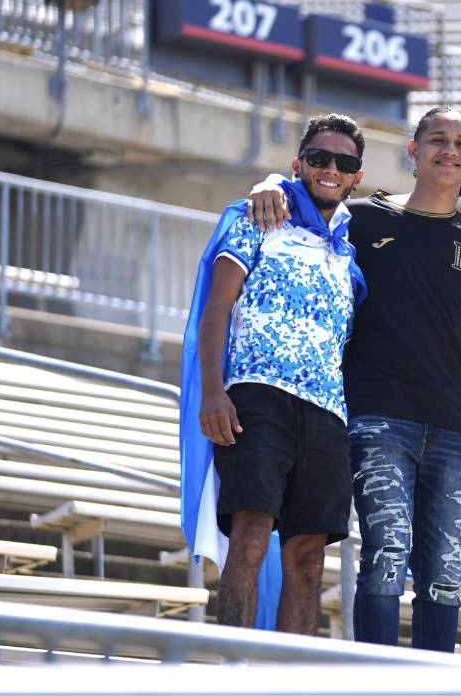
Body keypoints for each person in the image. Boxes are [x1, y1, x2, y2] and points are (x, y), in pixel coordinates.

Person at [245, 107, 461, 652]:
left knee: (444, 571)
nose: (449, 150)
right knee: (386, 554)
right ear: (412, 150)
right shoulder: (359, 220)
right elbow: (308, 191)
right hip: (376, 419)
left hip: (456, 430)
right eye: (437, 139)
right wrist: (269, 180)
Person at [184, 113, 367, 633]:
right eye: (318, 158)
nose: (330, 169)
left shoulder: (352, 248)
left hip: (329, 413)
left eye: (344, 163)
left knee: (309, 559)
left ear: (357, 176)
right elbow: (217, 307)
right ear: (297, 165)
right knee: (250, 534)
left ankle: (293, 681)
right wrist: (213, 392)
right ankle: (235, 668)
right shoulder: (258, 216)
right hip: (257, 397)